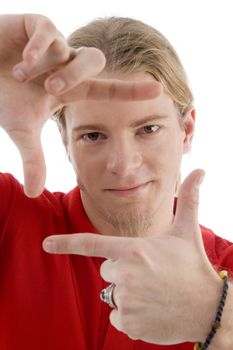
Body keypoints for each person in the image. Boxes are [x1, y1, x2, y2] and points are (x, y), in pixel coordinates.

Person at [0, 13, 232, 350]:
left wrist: (217, 316)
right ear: (64, 140)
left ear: (188, 130)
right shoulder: (10, 219)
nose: (123, 165)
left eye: (148, 129)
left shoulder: (224, 278)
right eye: (93, 135)